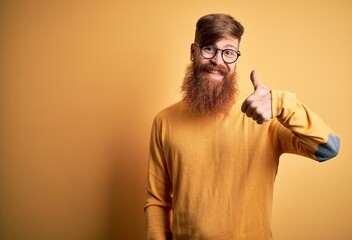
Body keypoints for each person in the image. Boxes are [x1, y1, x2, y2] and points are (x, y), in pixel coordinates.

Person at [144, 13, 340, 240]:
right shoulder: (164, 121)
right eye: (209, 49)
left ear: (236, 58)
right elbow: (157, 201)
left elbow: (328, 149)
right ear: (193, 52)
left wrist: (282, 103)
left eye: (228, 52)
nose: (218, 61)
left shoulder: (263, 115)